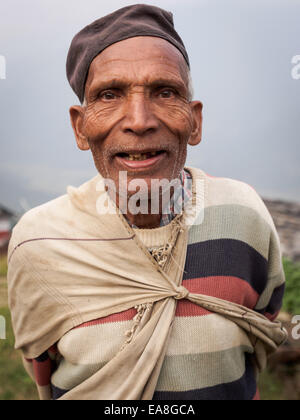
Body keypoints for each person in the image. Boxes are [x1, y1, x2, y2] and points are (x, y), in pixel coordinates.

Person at [7, 4, 286, 400]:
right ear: (80, 126)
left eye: (165, 92)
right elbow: (43, 373)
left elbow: (260, 331)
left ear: (195, 120)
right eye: (109, 94)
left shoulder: (243, 215)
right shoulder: (38, 243)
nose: (139, 120)